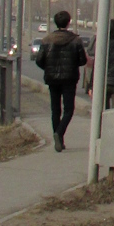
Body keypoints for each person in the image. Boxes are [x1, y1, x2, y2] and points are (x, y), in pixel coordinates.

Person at [34, 10, 87, 152]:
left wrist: (48, 68)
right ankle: (59, 133)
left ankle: (59, 140)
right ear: (68, 23)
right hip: (70, 79)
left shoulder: (46, 40)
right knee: (69, 109)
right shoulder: (76, 40)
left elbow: (39, 60)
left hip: (52, 79)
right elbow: (83, 60)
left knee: (55, 109)